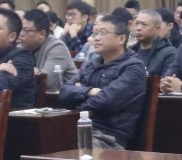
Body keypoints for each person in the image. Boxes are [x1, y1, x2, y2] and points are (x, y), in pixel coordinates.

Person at [55, 15, 147, 149]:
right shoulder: (91, 64)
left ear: (121, 39)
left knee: (67, 146)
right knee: (44, 140)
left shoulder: (133, 68)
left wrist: (76, 103)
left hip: (109, 137)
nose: (96, 38)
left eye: (103, 33)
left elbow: (106, 101)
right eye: (95, 33)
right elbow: (64, 92)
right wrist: (89, 91)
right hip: (80, 127)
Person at [22, 8, 77, 87]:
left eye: (26, 30)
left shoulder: (57, 48)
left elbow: (46, 81)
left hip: (62, 94)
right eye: (21, 30)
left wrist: (24, 72)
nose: (21, 34)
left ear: (42, 34)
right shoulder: (21, 47)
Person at [129, 8, 176, 75]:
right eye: (137, 23)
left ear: (157, 28)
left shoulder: (169, 53)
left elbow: (166, 79)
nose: (138, 28)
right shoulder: (129, 52)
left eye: (144, 24)